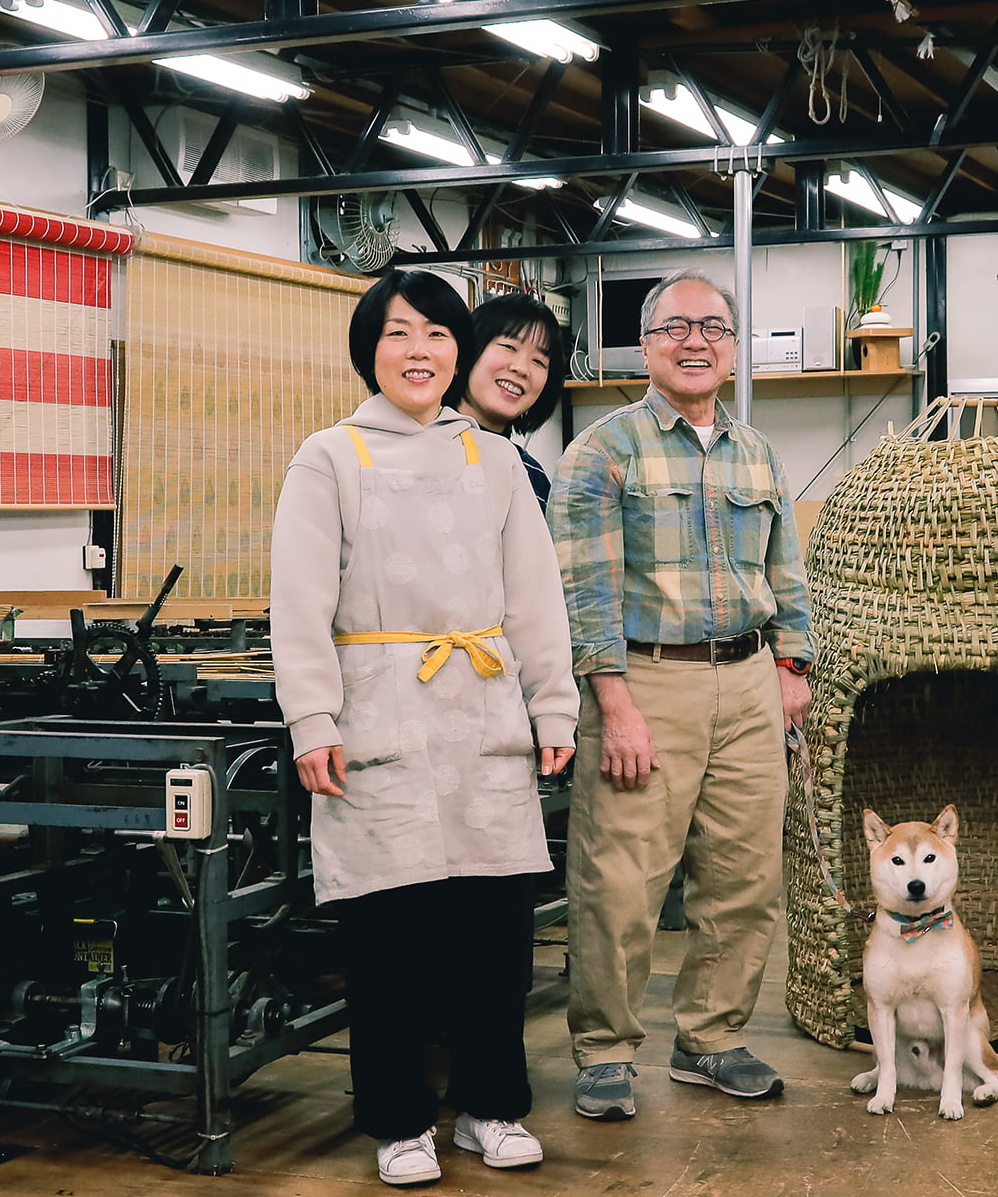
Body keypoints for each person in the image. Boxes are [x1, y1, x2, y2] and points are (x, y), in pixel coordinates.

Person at [270, 269, 577, 1187]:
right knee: (390, 940)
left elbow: (535, 597)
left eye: (438, 334)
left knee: (493, 932)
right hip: (380, 711)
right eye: (400, 334)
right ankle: (400, 1121)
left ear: (458, 353)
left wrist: (552, 702)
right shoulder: (330, 456)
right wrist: (311, 719)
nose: (420, 352)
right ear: (371, 349)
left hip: (481, 708)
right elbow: (298, 603)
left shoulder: (492, 462)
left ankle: (491, 1106)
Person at [548, 266, 812, 1121]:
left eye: (713, 328)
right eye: (675, 328)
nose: (695, 341)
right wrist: (613, 702)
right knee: (622, 880)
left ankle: (711, 1040)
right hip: (645, 681)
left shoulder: (758, 452)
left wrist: (791, 667)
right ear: (646, 345)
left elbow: (786, 571)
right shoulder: (602, 451)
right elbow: (583, 590)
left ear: (733, 349)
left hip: (746, 682)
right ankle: (606, 1050)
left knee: (744, 876)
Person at [451, 292, 569, 510]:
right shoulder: (423, 452)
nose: (522, 368)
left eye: (539, 361)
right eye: (509, 347)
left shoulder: (532, 477)